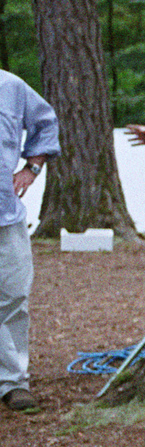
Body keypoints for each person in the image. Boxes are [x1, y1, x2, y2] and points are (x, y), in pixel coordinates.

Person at [1, 69, 59, 414]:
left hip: (5, 212)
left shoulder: (11, 87)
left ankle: (12, 381)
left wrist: (32, 168)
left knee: (13, 292)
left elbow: (45, 122)